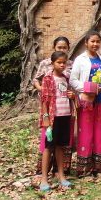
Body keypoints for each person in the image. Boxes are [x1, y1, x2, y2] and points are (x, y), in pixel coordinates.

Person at [69, 30, 101, 176]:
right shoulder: (80, 60)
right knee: (86, 134)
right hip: (86, 101)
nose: (95, 44)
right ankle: (84, 169)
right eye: (92, 41)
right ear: (86, 43)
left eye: (98, 41)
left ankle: (98, 168)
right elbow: (73, 80)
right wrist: (88, 88)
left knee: (99, 134)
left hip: (100, 101)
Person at [33, 36, 73, 175]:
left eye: (64, 47)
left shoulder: (69, 66)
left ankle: (61, 171)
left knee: (61, 143)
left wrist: (72, 95)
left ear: (68, 48)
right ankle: (44, 174)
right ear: (54, 48)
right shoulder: (46, 67)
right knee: (48, 142)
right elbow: (36, 80)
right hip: (50, 110)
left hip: (65, 111)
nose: (62, 49)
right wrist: (42, 89)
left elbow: (71, 85)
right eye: (59, 47)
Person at [39, 51, 75, 192]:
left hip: (65, 115)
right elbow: (44, 100)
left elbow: (70, 94)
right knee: (48, 147)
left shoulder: (66, 78)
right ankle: (44, 179)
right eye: (59, 62)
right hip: (53, 118)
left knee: (60, 146)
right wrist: (46, 117)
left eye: (64, 62)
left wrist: (72, 96)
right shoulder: (48, 78)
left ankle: (61, 176)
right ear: (52, 63)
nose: (62, 65)